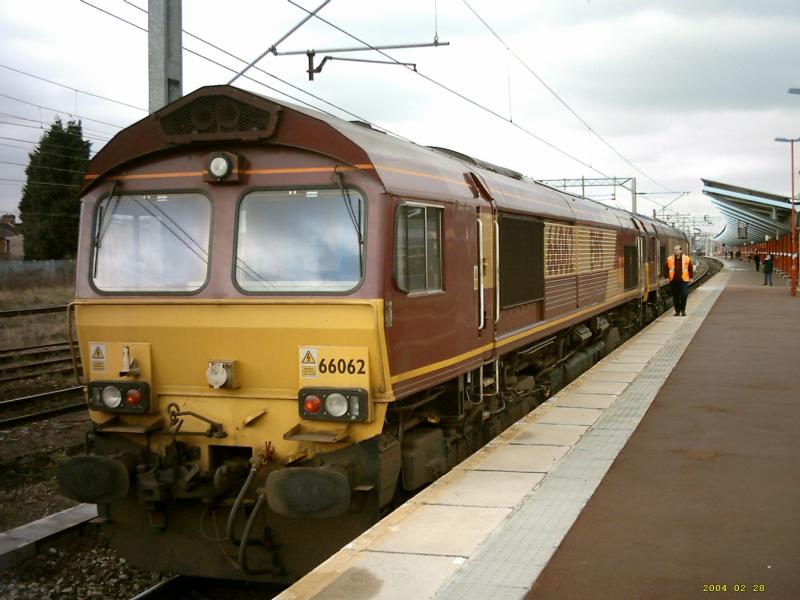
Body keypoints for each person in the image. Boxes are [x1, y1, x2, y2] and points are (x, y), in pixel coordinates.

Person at [664, 245, 693, 316]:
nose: (675, 251)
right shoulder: (669, 259)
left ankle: (683, 310)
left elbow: (690, 269)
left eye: (677, 250)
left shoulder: (686, 258)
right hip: (674, 281)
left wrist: (691, 277)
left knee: (684, 294)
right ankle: (677, 311)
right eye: (675, 250)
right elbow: (666, 269)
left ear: (681, 251)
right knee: (675, 296)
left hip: (684, 280)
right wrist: (666, 277)